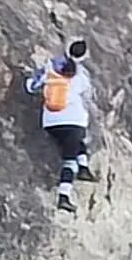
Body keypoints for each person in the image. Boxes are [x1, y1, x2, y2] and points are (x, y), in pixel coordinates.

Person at [25, 37, 95, 213]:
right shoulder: (81, 74)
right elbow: (88, 95)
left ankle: (85, 168)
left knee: (74, 143)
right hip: (74, 120)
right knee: (70, 160)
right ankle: (64, 196)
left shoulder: (50, 67)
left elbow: (31, 86)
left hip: (51, 121)